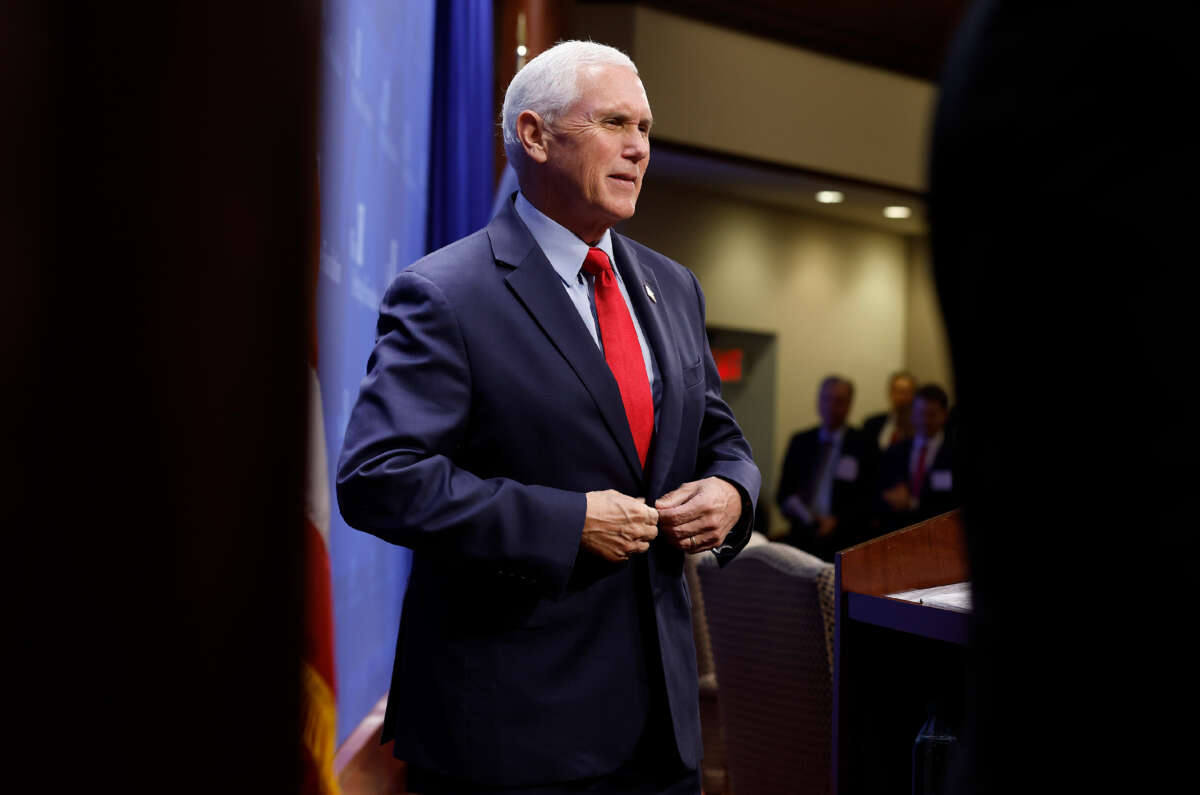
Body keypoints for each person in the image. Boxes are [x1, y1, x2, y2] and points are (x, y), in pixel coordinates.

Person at [336, 41, 760, 794]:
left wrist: (732, 492)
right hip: (512, 735)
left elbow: (720, 438)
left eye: (647, 129)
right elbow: (379, 477)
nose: (639, 149)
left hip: (664, 735)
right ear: (533, 135)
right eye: (615, 123)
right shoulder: (445, 294)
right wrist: (567, 523)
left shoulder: (674, 285)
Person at [776, 375, 876, 561]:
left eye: (838, 400)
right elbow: (782, 493)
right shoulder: (800, 441)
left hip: (846, 542)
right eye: (826, 399)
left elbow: (870, 498)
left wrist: (838, 522)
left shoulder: (863, 444)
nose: (831, 406)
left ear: (849, 404)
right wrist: (796, 509)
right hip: (802, 538)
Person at [877, 383, 956, 531]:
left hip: (939, 531)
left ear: (944, 415)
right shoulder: (896, 450)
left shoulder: (954, 453)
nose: (925, 420)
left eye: (931, 415)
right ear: (913, 413)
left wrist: (913, 503)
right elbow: (877, 489)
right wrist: (888, 497)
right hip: (896, 531)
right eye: (920, 413)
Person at [861, 370, 917, 452]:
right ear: (890, 393)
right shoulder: (872, 424)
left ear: (914, 395)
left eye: (905, 392)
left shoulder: (919, 428)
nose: (901, 397)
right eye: (897, 391)